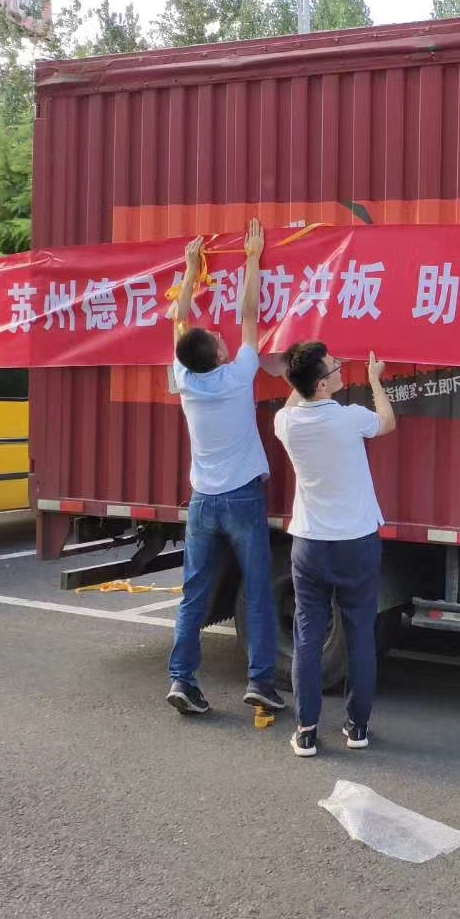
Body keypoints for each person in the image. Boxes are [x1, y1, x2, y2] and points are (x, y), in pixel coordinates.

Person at [166, 219, 284, 716]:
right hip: (240, 498)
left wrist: (190, 270)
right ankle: (259, 681)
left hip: (203, 502)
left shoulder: (186, 380)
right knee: (256, 590)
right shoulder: (238, 376)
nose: (221, 334)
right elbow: (251, 312)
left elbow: (178, 320)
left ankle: (181, 679)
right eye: (217, 337)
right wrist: (254, 257)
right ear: (218, 353)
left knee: (195, 591)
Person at [273, 342, 395, 757]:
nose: (342, 367)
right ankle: (357, 728)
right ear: (323, 383)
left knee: (308, 636)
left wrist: (300, 373)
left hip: (310, 543)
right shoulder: (350, 419)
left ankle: (306, 730)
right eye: (334, 366)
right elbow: (387, 422)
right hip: (357, 542)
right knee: (360, 634)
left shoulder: (285, 423)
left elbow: (296, 397)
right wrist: (376, 381)